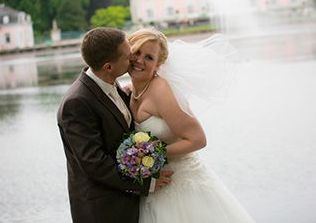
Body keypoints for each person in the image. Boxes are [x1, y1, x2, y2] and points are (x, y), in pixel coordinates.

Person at [127, 28, 256, 223]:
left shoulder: (161, 91)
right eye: (136, 52)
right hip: (154, 185)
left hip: (181, 184)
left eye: (149, 57)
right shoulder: (127, 91)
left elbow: (198, 140)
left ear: (158, 65)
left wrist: (150, 155)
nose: (139, 60)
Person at [57, 27, 173, 223]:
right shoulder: (76, 103)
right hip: (102, 210)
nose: (134, 59)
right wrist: (147, 184)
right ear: (109, 66)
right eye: (128, 56)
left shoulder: (111, 84)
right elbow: (95, 164)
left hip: (124, 204)